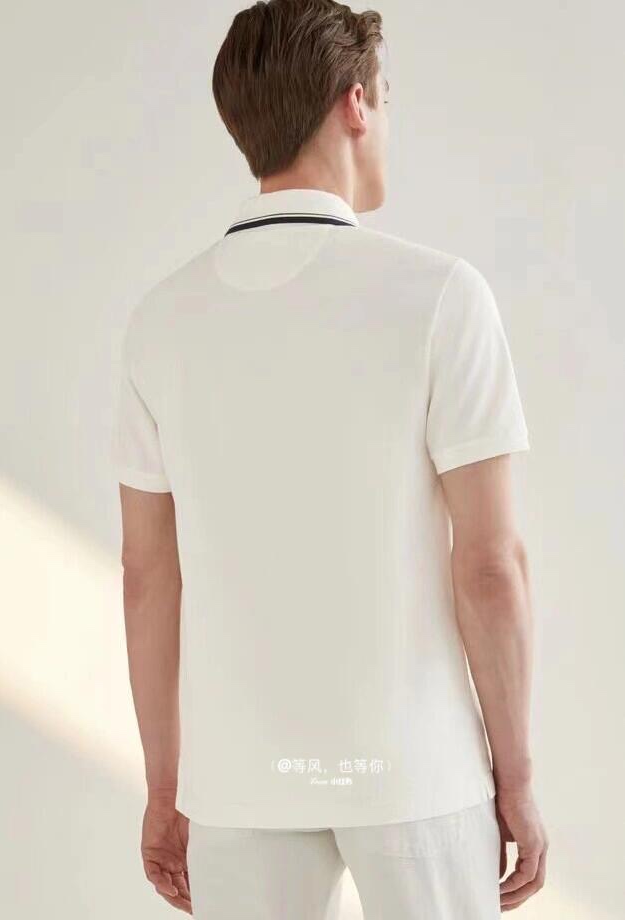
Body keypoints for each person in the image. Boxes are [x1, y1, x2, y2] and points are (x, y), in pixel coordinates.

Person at [110, 1, 548, 916]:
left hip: (239, 784)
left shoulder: (161, 320)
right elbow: (490, 566)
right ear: (355, 102)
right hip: (417, 772)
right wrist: (515, 776)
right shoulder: (439, 297)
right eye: (386, 96)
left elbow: (148, 576)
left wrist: (166, 786)